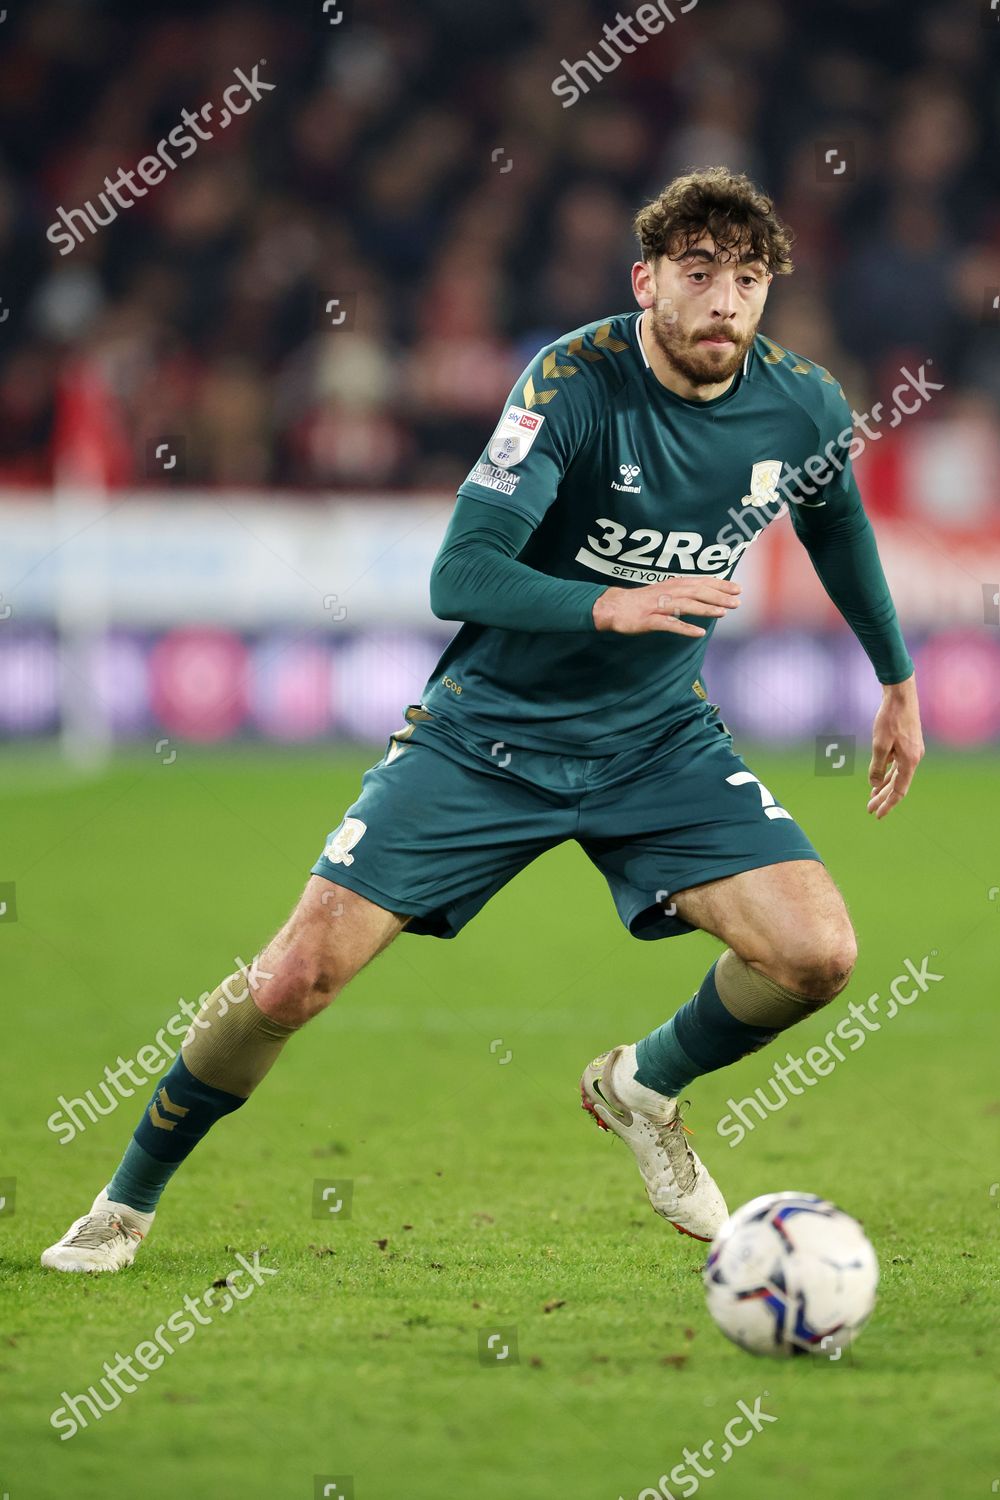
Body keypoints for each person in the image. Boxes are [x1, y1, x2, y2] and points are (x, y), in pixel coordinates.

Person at [42, 166, 924, 1272]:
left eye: (747, 280)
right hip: (485, 737)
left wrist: (894, 676)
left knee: (818, 954)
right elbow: (460, 573)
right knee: (291, 980)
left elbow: (836, 520)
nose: (725, 303)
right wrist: (608, 603)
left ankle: (641, 1086)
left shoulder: (802, 401)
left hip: (653, 742)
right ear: (646, 279)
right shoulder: (571, 382)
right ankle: (124, 1203)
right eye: (698, 275)